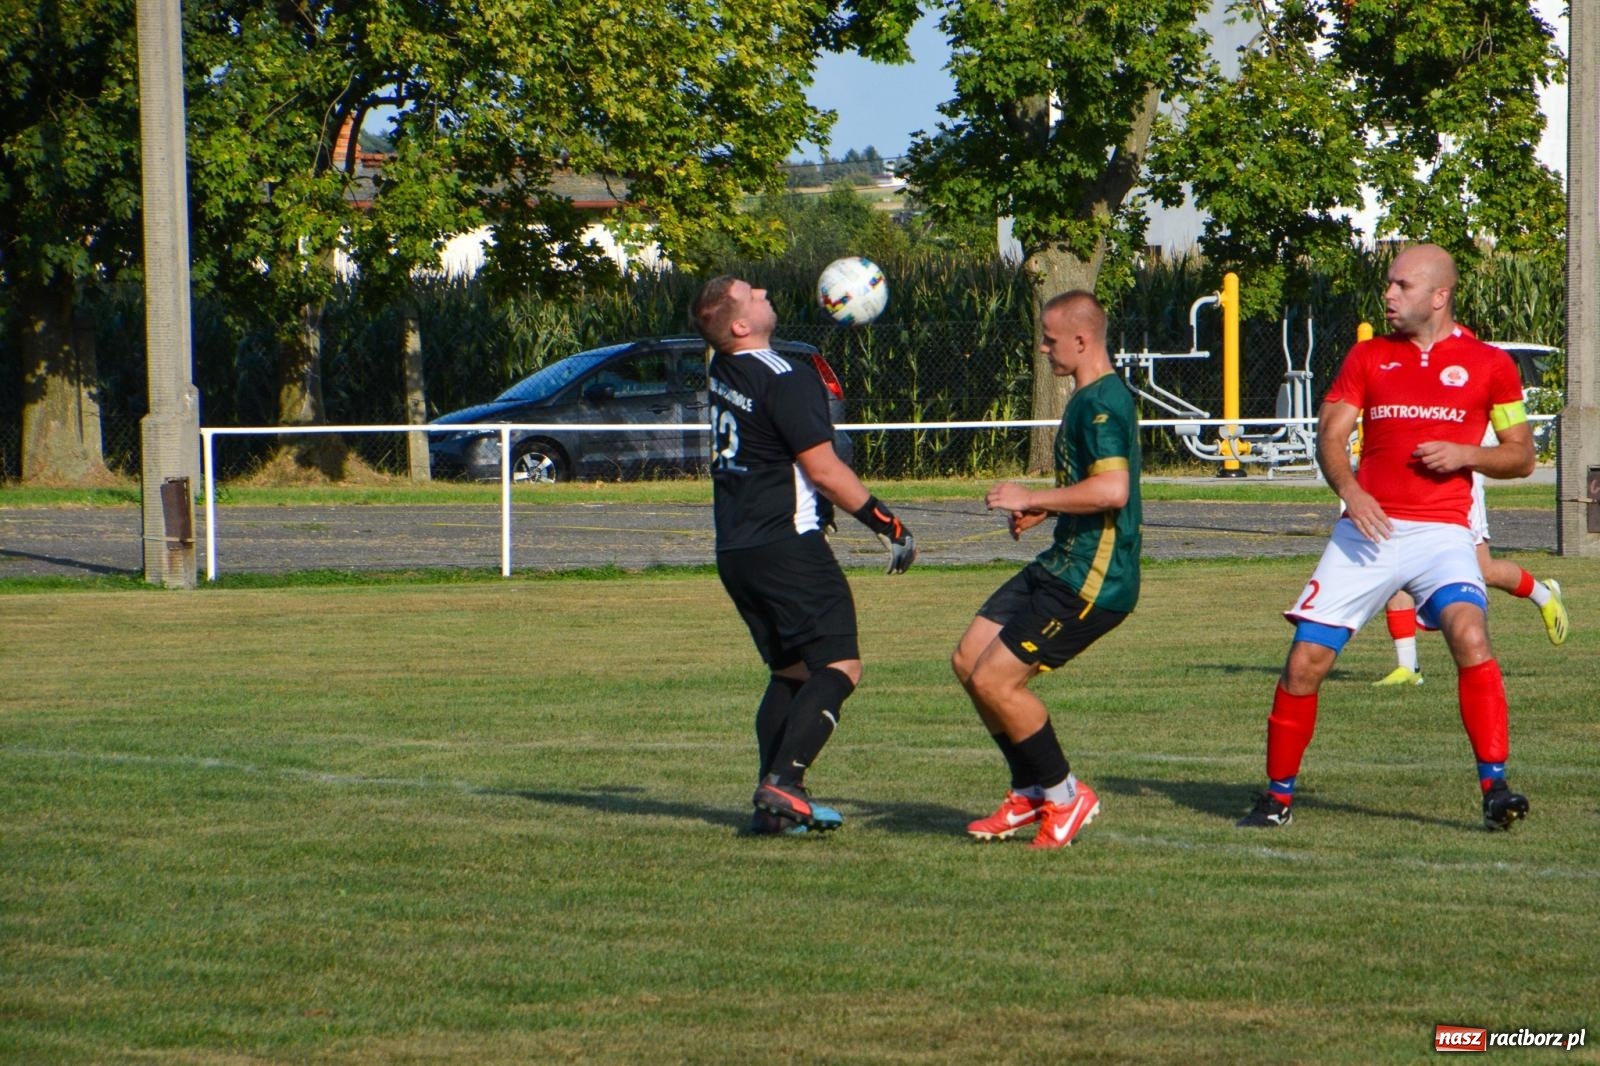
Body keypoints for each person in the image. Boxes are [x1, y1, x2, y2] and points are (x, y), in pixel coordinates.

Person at [1237, 243, 1536, 832]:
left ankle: (1495, 788)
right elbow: (1331, 434)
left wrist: (1466, 454)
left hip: (1443, 532)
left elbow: (1522, 456)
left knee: (1469, 634)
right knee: (1306, 663)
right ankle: (1276, 799)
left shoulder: (1491, 365)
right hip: (1367, 531)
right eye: (1389, 285)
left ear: (1439, 296)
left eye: (1402, 286)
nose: (1389, 296)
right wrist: (1350, 491)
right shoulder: (1368, 357)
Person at [691, 275, 916, 836]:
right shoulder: (785, 376)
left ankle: (772, 809)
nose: (767, 290)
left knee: (790, 673)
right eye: (752, 294)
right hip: (787, 545)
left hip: (738, 550)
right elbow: (823, 469)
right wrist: (886, 522)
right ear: (741, 325)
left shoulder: (722, 368)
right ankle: (785, 783)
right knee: (840, 665)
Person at [952, 290, 1141, 850]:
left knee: (996, 680)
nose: (1043, 347)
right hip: (1061, 561)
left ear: (1082, 341)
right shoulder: (1087, 397)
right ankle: (1030, 791)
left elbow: (1113, 490)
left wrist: (1032, 492)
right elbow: (1091, 489)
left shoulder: (1104, 403)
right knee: (968, 660)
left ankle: (1065, 796)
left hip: (1093, 579)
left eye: (1050, 339)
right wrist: (1044, 508)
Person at [1374, 453, 1567, 686]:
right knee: (1400, 567)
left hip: (1457, 478)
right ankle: (1407, 667)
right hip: (1409, 479)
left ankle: (1544, 595)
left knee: (1483, 569)